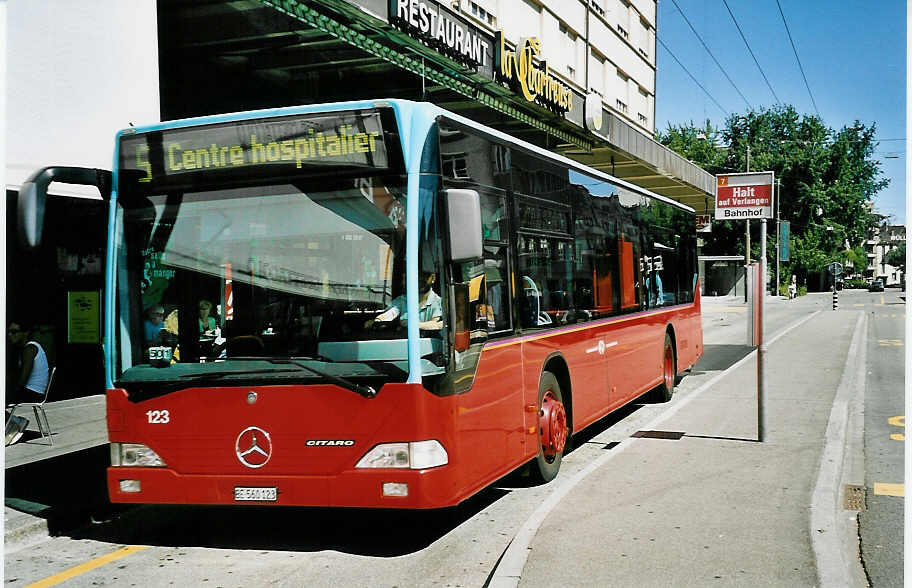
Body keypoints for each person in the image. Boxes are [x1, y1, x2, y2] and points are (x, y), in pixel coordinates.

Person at [6, 321, 50, 445]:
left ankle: (15, 421)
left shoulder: (29, 349)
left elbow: (22, 380)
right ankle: (13, 421)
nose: (10, 335)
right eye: (9, 332)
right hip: (32, 391)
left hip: (33, 393)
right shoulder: (26, 348)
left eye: (14, 332)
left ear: (25, 333)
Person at [365, 272, 443, 331]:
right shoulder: (401, 300)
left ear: (433, 278)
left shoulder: (440, 303)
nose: (419, 280)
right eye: (416, 275)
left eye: (424, 276)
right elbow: (390, 313)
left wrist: (409, 325)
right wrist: (378, 321)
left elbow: (437, 325)